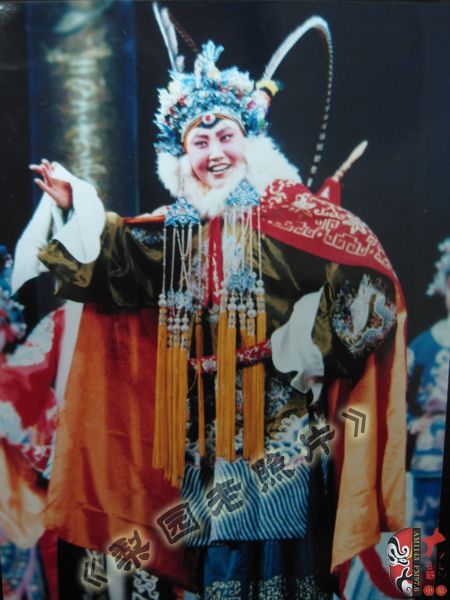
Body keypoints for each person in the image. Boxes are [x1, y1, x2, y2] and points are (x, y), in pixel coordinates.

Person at [12, 36, 407, 598]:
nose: (215, 151)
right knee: (218, 569)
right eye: (200, 142)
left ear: (250, 142)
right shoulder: (177, 231)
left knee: (284, 568)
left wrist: (306, 344)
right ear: (182, 156)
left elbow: (370, 281)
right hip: (203, 443)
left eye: (226, 137)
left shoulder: (292, 217)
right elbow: (116, 267)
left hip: (282, 435)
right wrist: (77, 205)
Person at [407, 238, 450, 537]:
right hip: (430, 455)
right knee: (421, 539)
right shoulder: (422, 345)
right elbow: (394, 397)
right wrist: (411, 422)